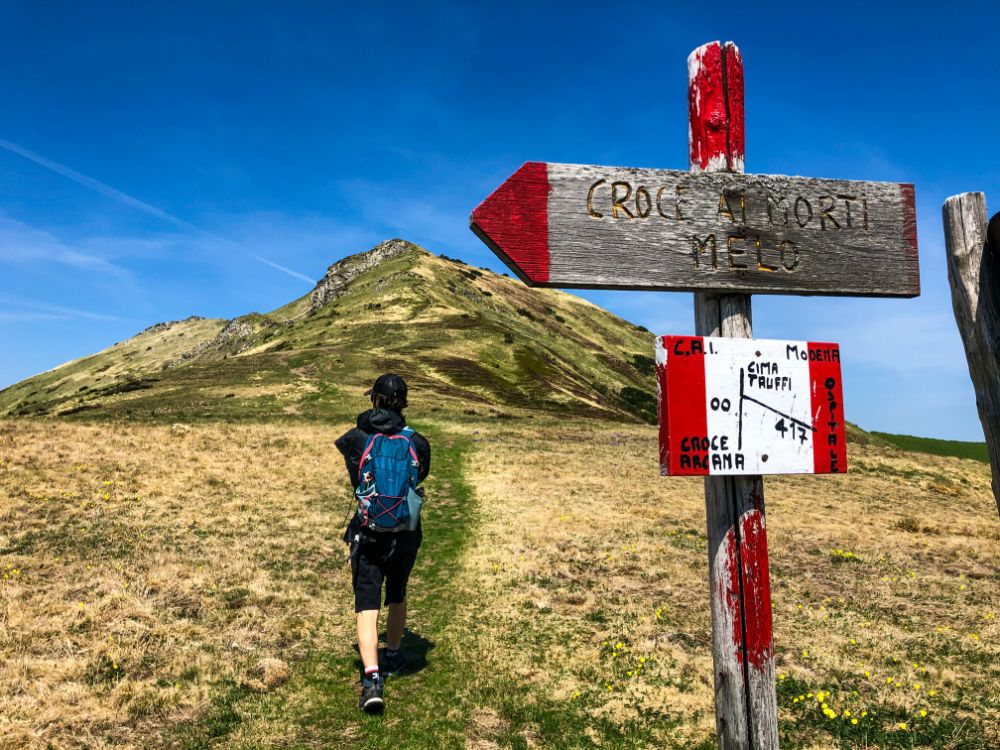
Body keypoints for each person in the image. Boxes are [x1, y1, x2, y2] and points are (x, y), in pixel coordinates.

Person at [335, 373, 430, 714]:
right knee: (398, 592)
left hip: (368, 531)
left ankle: (372, 679)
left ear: (373, 399)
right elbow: (420, 476)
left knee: (367, 601)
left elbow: (354, 475)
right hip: (405, 533)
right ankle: (392, 653)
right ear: (404, 403)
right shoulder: (418, 442)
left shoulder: (356, 439)